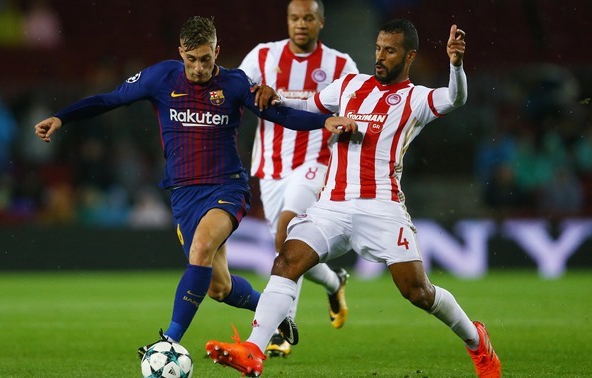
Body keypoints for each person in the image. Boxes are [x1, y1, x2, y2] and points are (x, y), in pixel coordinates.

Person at [33, 16, 355, 356]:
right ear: (180, 52)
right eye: (191, 59)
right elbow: (109, 99)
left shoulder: (234, 84)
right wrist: (62, 117)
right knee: (219, 287)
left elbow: (282, 116)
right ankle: (273, 315)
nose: (199, 67)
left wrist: (325, 121)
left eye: (206, 58)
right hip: (183, 194)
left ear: (217, 52)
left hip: (226, 188)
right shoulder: (160, 77)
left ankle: (168, 342)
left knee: (201, 247)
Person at [206, 19, 502, 378]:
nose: (380, 57)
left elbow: (455, 98)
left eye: (389, 51)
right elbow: (308, 105)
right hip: (332, 206)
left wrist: (455, 65)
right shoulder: (350, 85)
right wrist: (273, 94)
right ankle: (253, 350)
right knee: (287, 259)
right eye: (378, 48)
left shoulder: (415, 98)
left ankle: (476, 341)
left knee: (418, 292)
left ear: (409, 55)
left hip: (382, 208)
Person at [238, 0, 358, 357]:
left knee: (287, 233)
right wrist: (251, 93)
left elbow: (356, 110)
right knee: (287, 249)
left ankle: (281, 331)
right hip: (271, 167)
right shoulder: (262, 57)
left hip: (316, 162)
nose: (300, 24)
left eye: (308, 18)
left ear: (321, 22)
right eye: (294, 18)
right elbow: (235, 89)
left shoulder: (340, 64)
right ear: (287, 21)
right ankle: (334, 281)